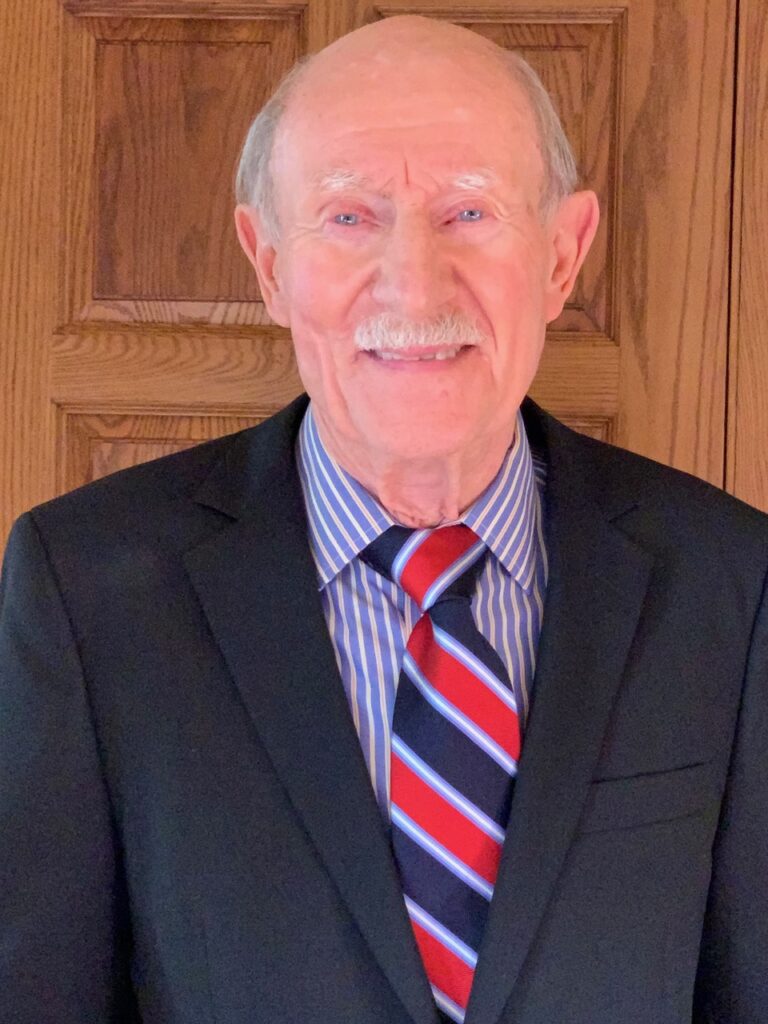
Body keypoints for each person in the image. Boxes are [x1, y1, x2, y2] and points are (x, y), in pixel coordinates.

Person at [0, 14, 766, 1024]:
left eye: (469, 212)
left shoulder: (731, 581)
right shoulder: (86, 588)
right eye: (350, 217)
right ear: (269, 264)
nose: (414, 283)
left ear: (562, 255)